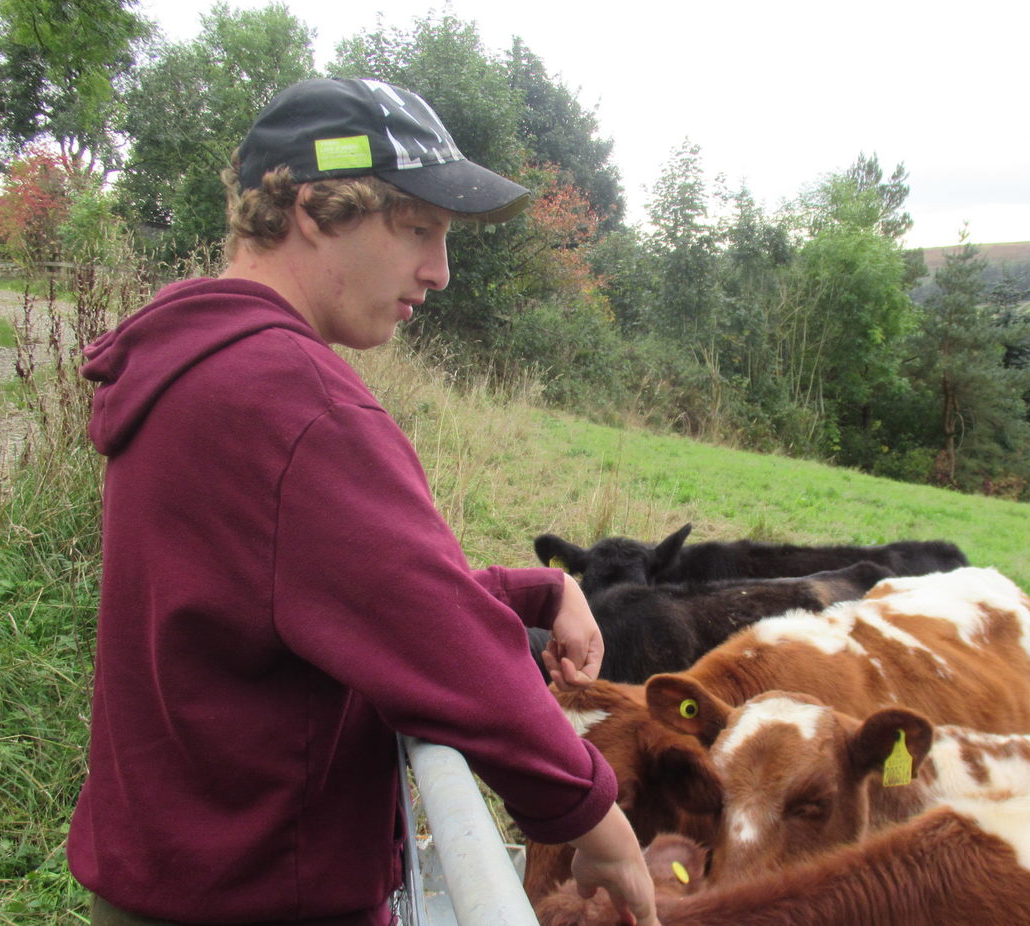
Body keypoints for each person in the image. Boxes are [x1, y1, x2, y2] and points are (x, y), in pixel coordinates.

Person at [67, 77, 657, 926]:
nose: (440, 271)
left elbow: (336, 591)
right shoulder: (294, 402)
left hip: (170, 879)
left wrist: (540, 588)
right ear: (315, 209)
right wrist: (596, 822)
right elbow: (441, 643)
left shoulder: (196, 368)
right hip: (259, 898)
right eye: (418, 227)